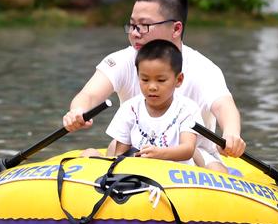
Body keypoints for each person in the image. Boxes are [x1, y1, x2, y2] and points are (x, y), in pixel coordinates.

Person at [63, 0, 246, 160]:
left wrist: (231, 134)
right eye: (132, 25)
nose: (135, 33)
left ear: (176, 28)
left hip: (193, 157)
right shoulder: (121, 60)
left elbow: (224, 106)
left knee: (208, 162)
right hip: (137, 151)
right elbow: (89, 95)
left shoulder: (204, 69)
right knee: (112, 147)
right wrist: (78, 111)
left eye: (144, 26)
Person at [80, 40, 228, 172]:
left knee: (215, 168)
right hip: (138, 168)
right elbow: (120, 152)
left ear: (178, 80)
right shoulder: (130, 108)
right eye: (145, 79)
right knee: (88, 154)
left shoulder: (187, 108)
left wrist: (159, 154)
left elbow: (188, 149)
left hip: (177, 172)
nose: (152, 87)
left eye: (161, 80)